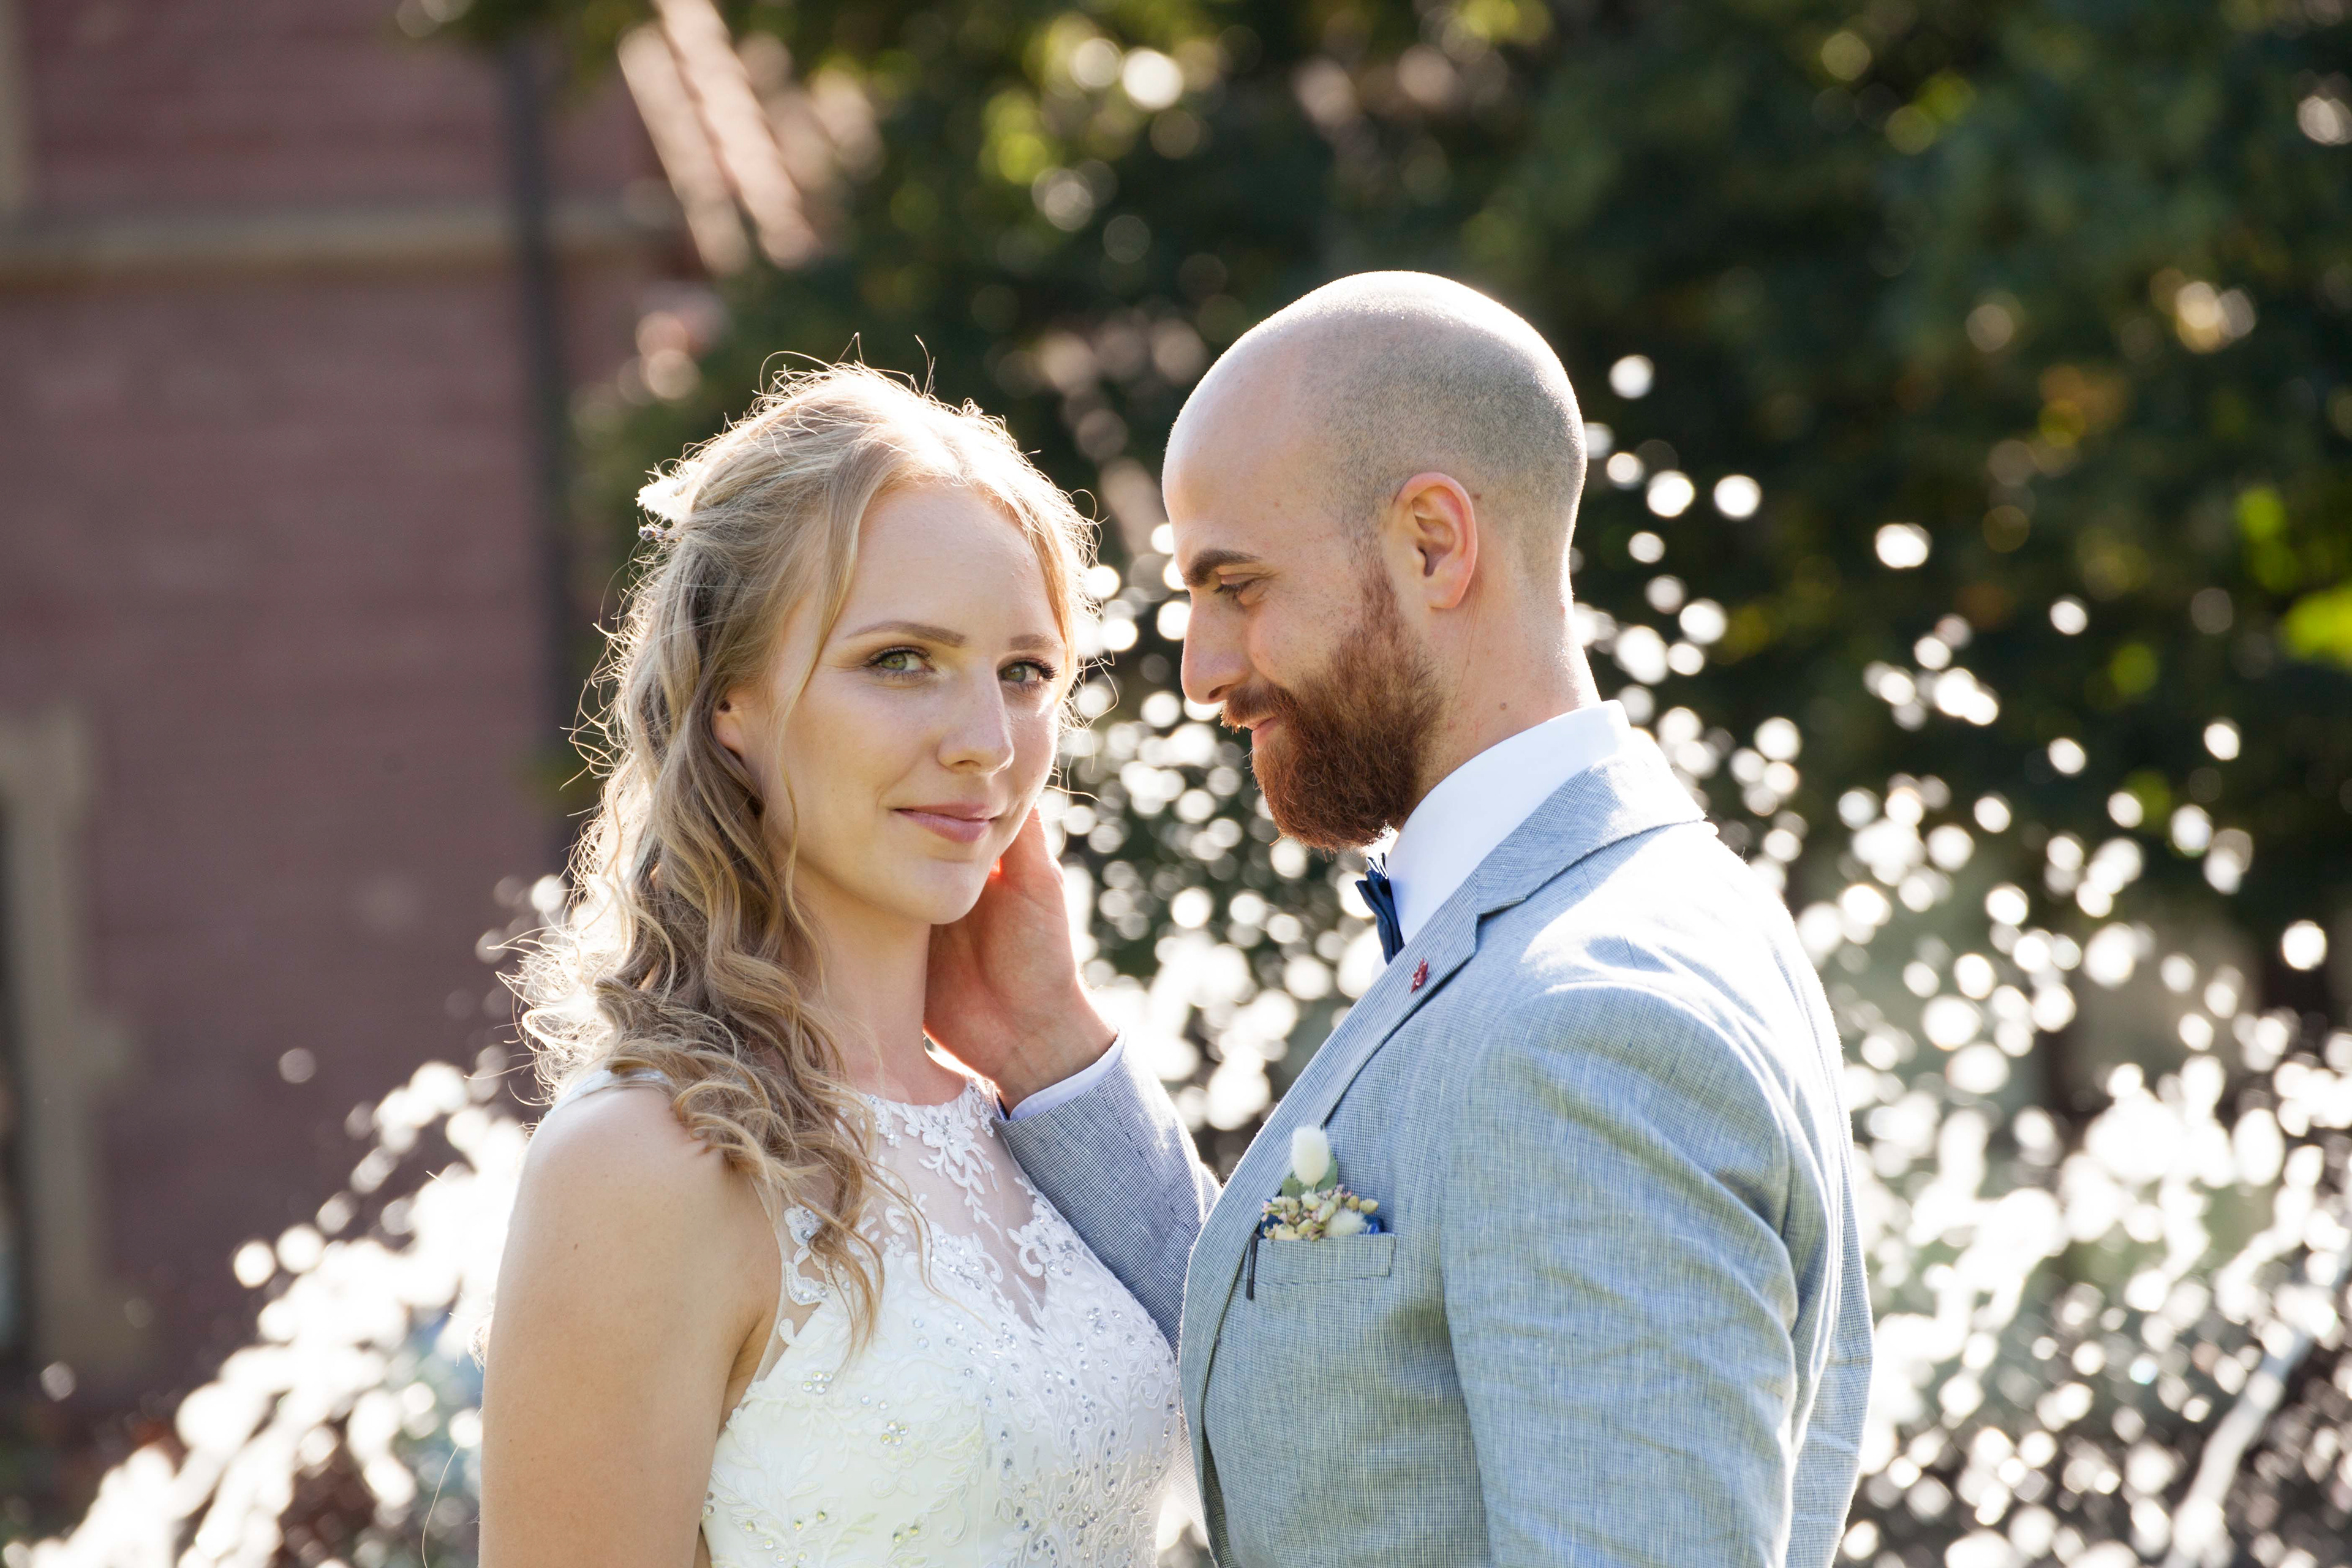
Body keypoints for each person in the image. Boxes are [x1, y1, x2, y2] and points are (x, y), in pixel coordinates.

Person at [932, 272, 1875, 1568]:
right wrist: (1053, 1052)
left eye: (1238, 585)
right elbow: (1337, 1379)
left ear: (1434, 543)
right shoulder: (1632, 905)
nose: (1203, 670)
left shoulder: (1589, 1023)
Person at [478, 366, 1182, 1567]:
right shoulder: (646, 1161)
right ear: (731, 699)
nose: (988, 744)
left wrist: (1055, 1035)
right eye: (902, 659)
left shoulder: (1035, 1121)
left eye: (1025, 671)